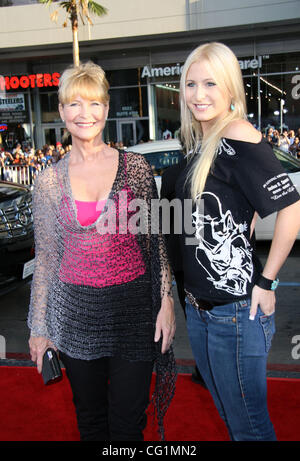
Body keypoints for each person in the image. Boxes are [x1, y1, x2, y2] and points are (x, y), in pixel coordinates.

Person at [28, 61, 176, 442]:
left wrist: (166, 301)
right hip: (76, 314)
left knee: (129, 425)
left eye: (94, 103)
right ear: (61, 111)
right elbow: (45, 260)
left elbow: (156, 241)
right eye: (73, 104)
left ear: (107, 110)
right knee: (91, 422)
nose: (84, 114)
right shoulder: (47, 182)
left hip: (133, 312)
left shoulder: (137, 168)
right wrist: (39, 328)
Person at [175, 42, 300, 441]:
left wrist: (268, 281)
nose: (198, 94)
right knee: (233, 421)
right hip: (200, 311)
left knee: (249, 427)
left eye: (210, 83)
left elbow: (291, 209)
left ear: (230, 87)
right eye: (191, 84)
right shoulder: (203, 141)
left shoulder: (239, 134)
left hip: (236, 313)